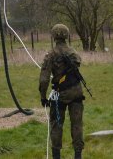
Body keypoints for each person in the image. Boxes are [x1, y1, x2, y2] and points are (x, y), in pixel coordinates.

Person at [39, 24, 85, 159]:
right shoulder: (73, 53)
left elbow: (44, 80)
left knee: (56, 125)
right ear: (67, 35)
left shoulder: (51, 55)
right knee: (77, 125)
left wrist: (43, 97)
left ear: (53, 37)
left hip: (59, 95)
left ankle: (56, 156)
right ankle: (78, 155)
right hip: (76, 92)